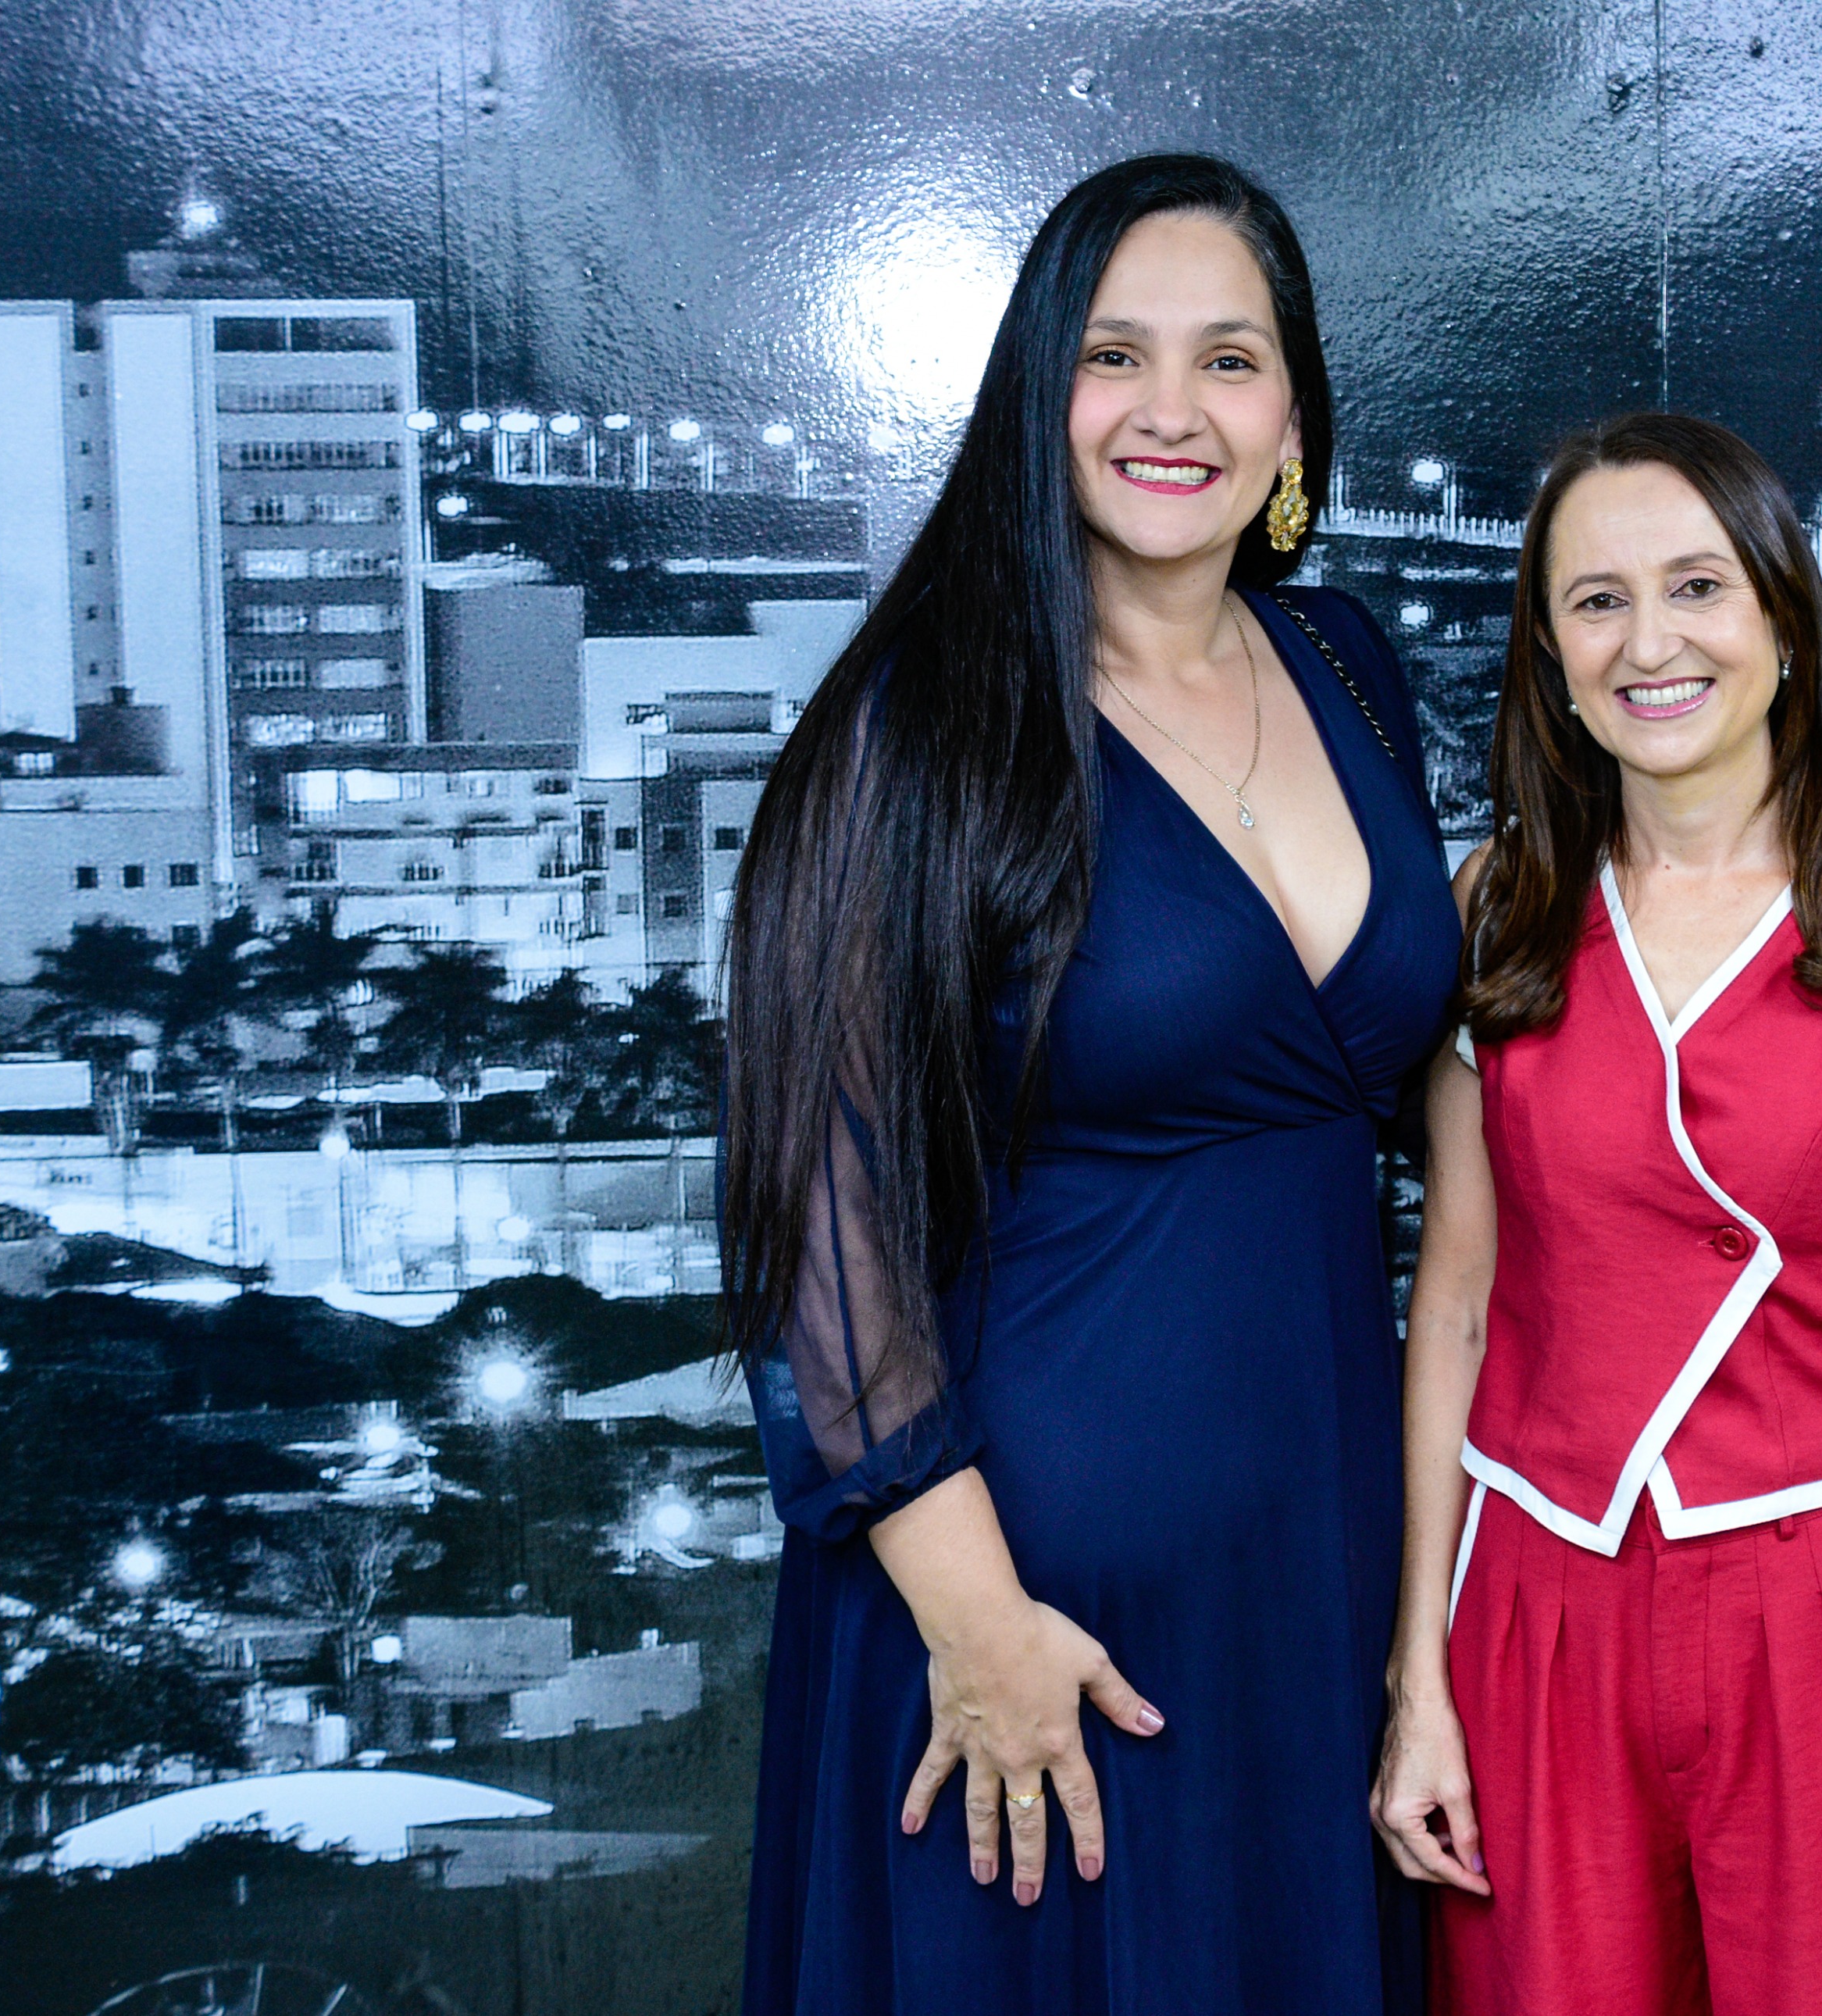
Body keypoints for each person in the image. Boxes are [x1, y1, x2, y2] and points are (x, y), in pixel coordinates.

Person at [722, 154, 1456, 2016]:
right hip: (1032, 1610)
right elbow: (817, 1210)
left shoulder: (1349, 665)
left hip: (1320, 1562)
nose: (1169, 411)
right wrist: (978, 1627)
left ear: (1294, 417)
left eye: (1230, 359)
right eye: (1112, 356)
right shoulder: (912, 725)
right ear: (1034, 395)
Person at [1371, 412, 1822, 2011]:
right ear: (1550, 653)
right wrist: (1419, 1680)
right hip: (1536, 1606)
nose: (1649, 643)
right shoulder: (1494, 906)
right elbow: (1453, 1309)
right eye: (1596, 601)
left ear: (1785, 620)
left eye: (1697, 587)